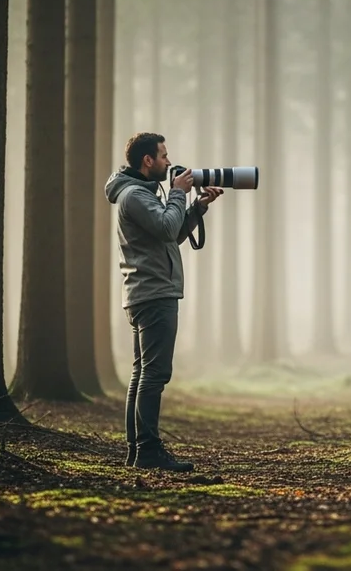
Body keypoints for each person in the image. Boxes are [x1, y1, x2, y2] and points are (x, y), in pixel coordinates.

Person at [104, 132, 224, 472]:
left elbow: (172, 234)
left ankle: (137, 450)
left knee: (143, 374)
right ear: (148, 160)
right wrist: (177, 193)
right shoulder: (135, 197)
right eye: (164, 156)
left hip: (148, 290)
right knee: (155, 375)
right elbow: (167, 228)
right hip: (153, 293)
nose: (169, 163)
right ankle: (148, 450)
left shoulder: (140, 194)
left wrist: (196, 207)